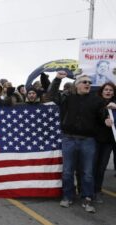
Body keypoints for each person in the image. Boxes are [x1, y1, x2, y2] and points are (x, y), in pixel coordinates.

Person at [48, 71, 105, 213]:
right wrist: (56, 80)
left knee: (87, 172)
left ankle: (87, 198)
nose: (88, 84)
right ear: (77, 85)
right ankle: (68, 196)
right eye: (85, 82)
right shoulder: (67, 98)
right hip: (68, 138)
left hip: (88, 141)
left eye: (89, 83)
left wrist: (107, 117)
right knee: (67, 171)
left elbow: (102, 115)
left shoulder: (96, 100)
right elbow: (52, 95)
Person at [94, 83, 116, 203]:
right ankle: (86, 190)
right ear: (101, 91)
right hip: (95, 140)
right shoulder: (95, 102)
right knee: (91, 167)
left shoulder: (115, 103)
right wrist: (105, 115)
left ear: (113, 92)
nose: (108, 92)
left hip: (108, 142)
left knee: (102, 167)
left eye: (110, 90)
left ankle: (97, 190)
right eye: (106, 90)